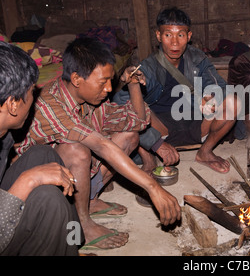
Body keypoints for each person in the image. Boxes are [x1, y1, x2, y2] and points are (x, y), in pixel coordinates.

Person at [16, 37, 181, 250]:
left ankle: (89, 200)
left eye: (111, 80)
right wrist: (152, 187)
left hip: (69, 180)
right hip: (37, 193)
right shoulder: (51, 105)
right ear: (76, 79)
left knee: (129, 135)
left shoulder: (92, 100)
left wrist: (132, 85)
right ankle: (82, 224)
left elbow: (138, 122)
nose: (109, 88)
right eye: (103, 82)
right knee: (77, 151)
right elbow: (102, 146)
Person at [113, 7, 239, 174]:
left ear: (188, 36)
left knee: (233, 101)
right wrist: (133, 83)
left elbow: (220, 86)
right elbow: (118, 103)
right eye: (167, 35)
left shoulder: (198, 58)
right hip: (161, 130)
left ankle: (205, 152)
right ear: (158, 36)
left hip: (198, 126)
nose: (174, 42)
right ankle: (149, 158)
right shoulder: (148, 66)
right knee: (134, 107)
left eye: (180, 35)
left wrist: (210, 97)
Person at [0, 41, 80, 255]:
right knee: (48, 200)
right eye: (30, 93)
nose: (34, 100)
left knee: (43, 155)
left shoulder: (4, 133)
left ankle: (70, 244)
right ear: (12, 104)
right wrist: (29, 179)